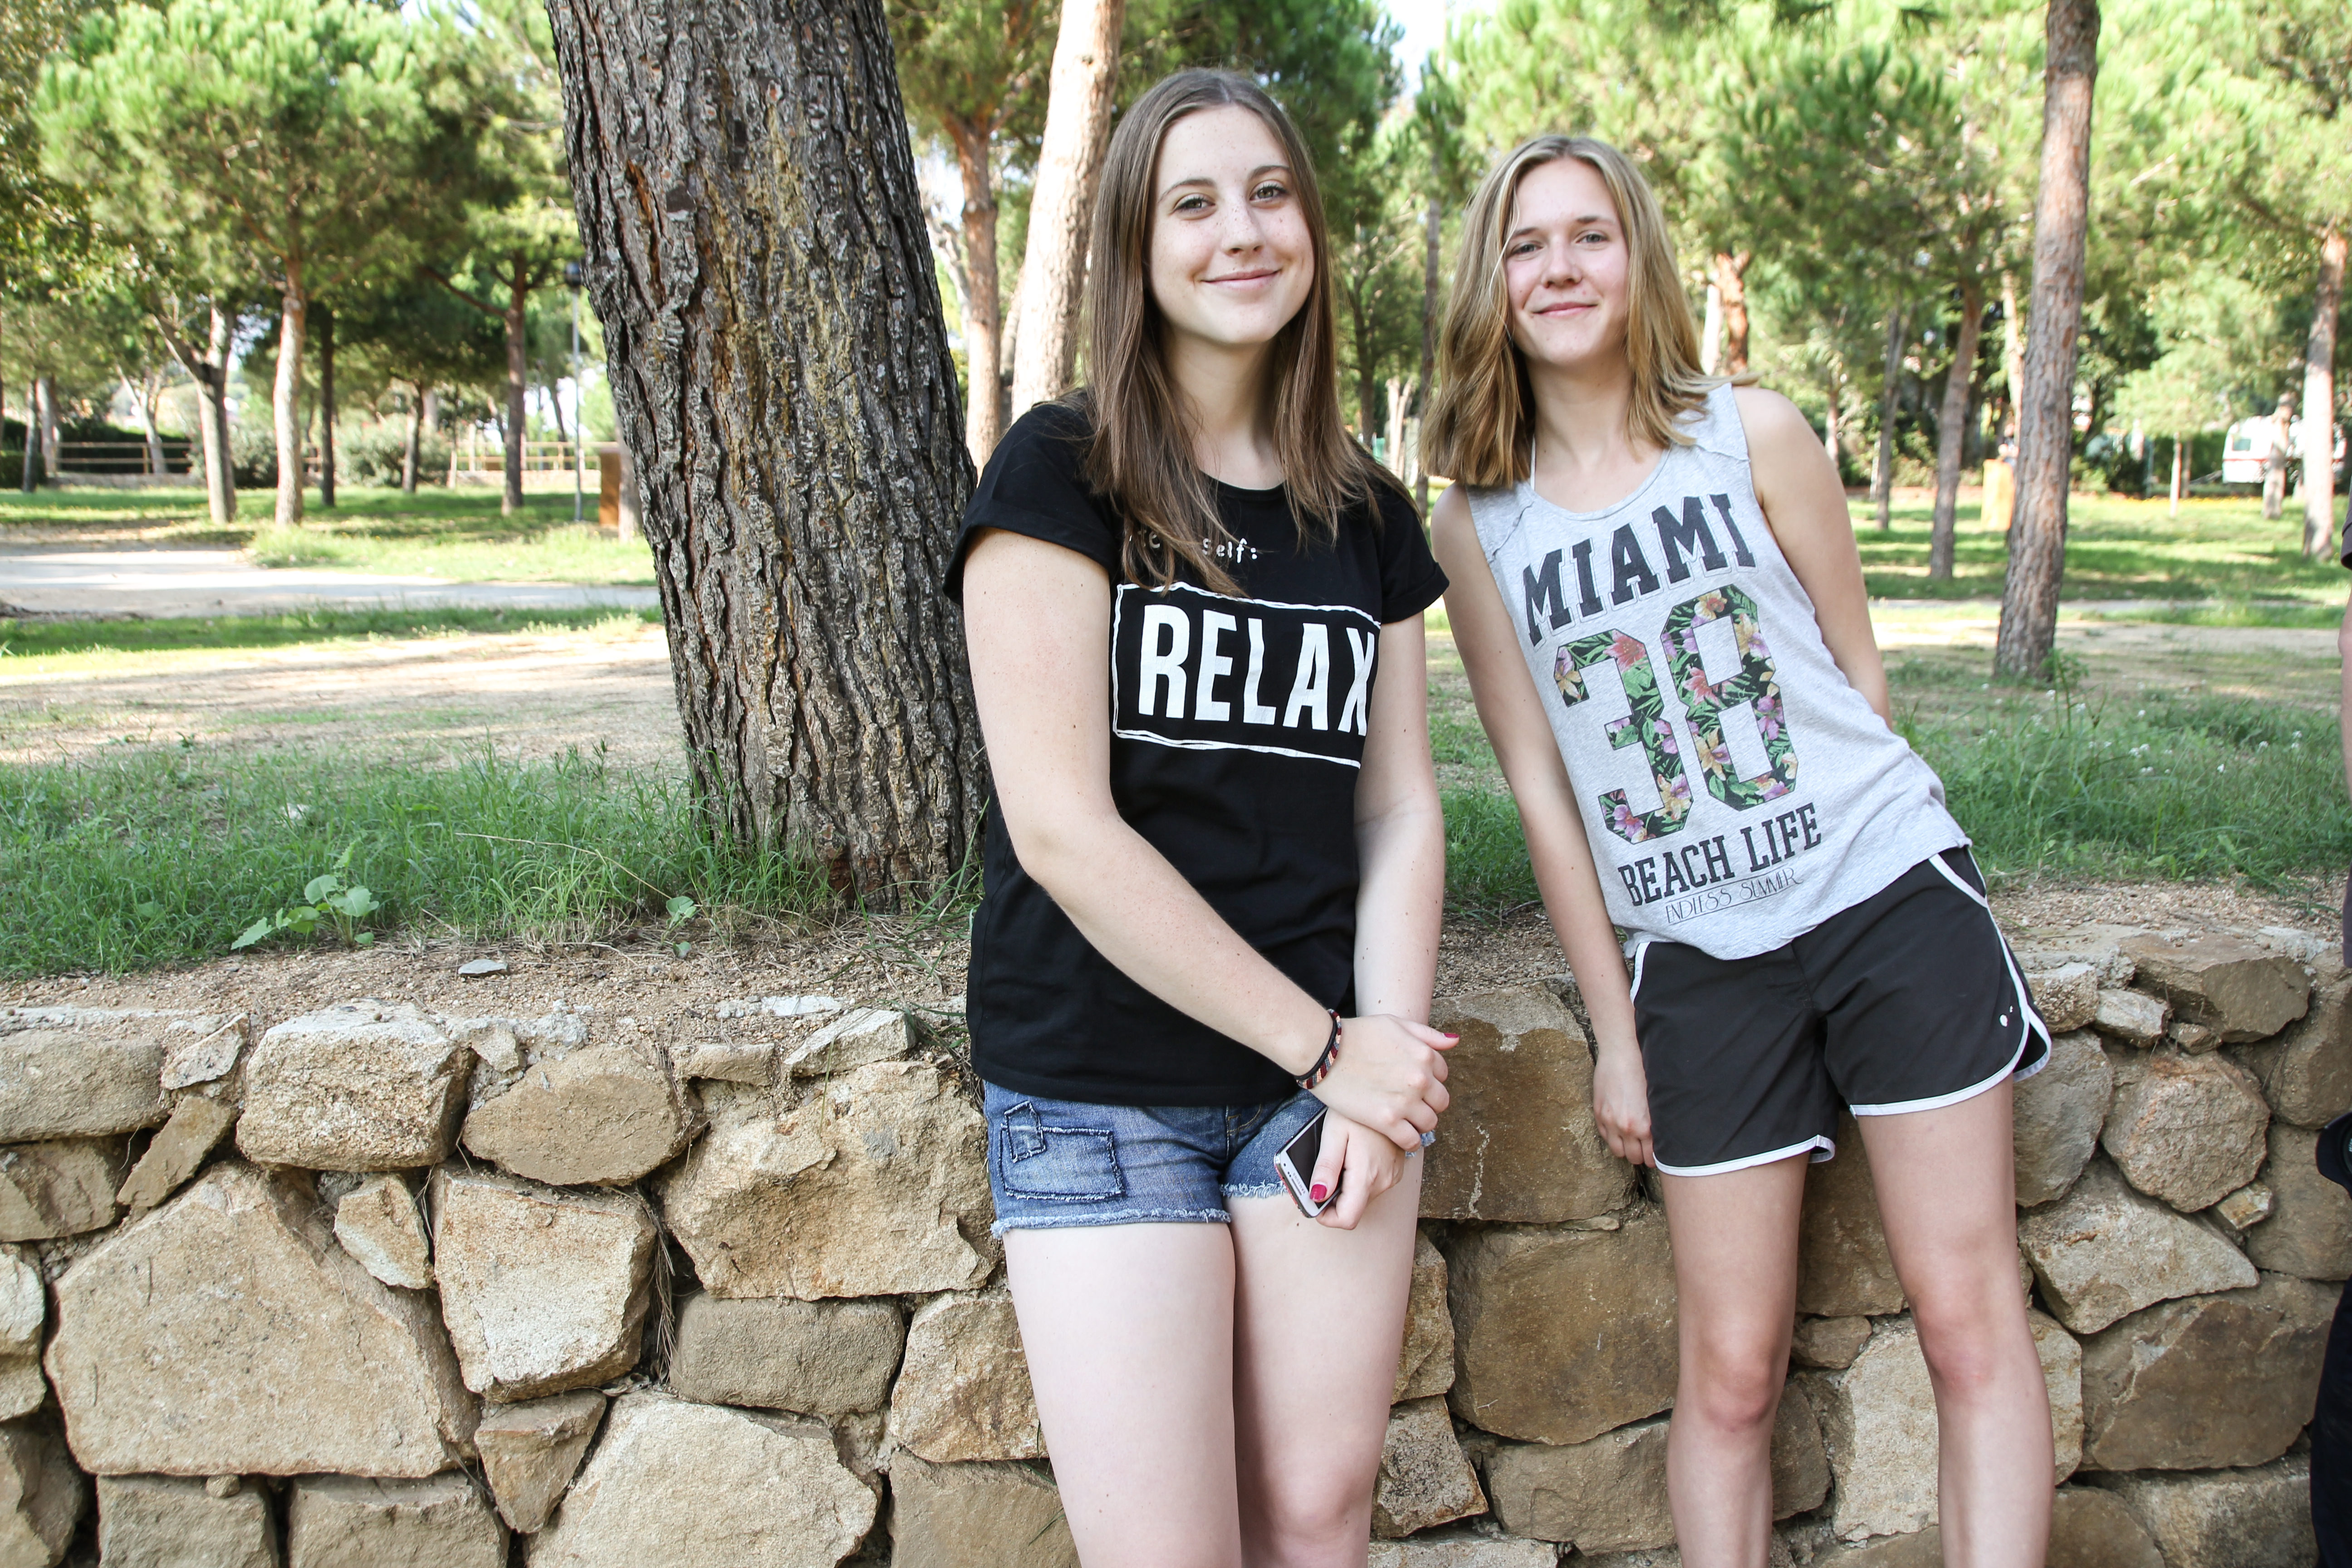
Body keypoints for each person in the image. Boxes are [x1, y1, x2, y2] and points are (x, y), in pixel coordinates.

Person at [1423, 135, 2054, 1568]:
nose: (1561, 268)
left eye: (1591, 235)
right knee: (1727, 1373)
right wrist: (1617, 1033)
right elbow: (1544, 794)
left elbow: (1858, 678)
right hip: (1699, 960)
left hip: (1885, 899)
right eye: (1527, 244)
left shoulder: (1752, 432)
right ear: (1491, 283)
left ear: (1638, 257)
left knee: (1969, 1322)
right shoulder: (1477, 525)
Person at [947, 69, 1454, 1568]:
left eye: (1270, 193)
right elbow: (1063, 831)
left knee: (1320, 1515)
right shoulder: (1062, 472)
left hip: (1322, 1090)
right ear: (1136, 247)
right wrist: (1329, 1049)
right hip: (1104, 1089)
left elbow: (1400, 808)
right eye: (1195, 202)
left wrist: (1378, 1066)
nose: (1243, 231)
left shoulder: (1366, 511)